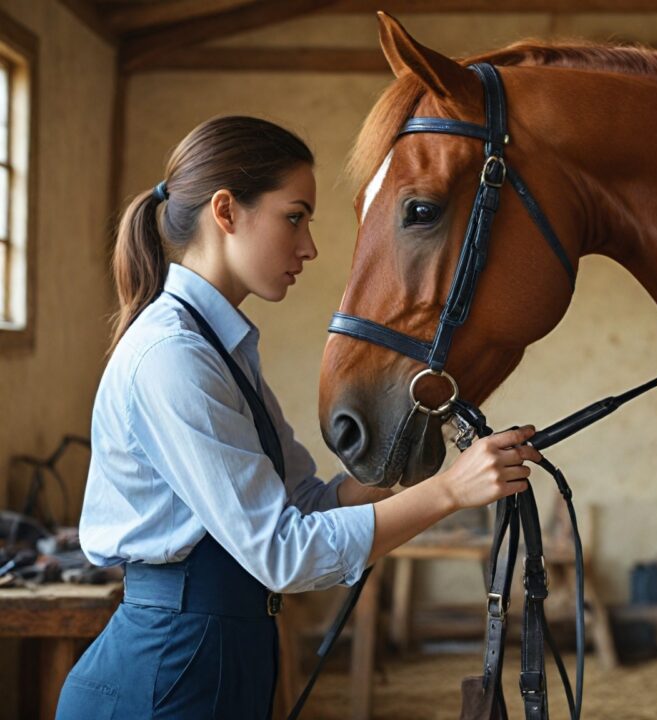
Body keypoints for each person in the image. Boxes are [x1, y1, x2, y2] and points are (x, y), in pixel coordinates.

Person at [55, 115, 540, 720]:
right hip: (165, 677)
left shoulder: (217, 347)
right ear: (227, 211)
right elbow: (283, 554)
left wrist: (421, 453)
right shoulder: (172, 356)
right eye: (295, 216)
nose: (309, 246)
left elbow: (306, 501)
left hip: (219, 660)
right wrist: (449, 493)